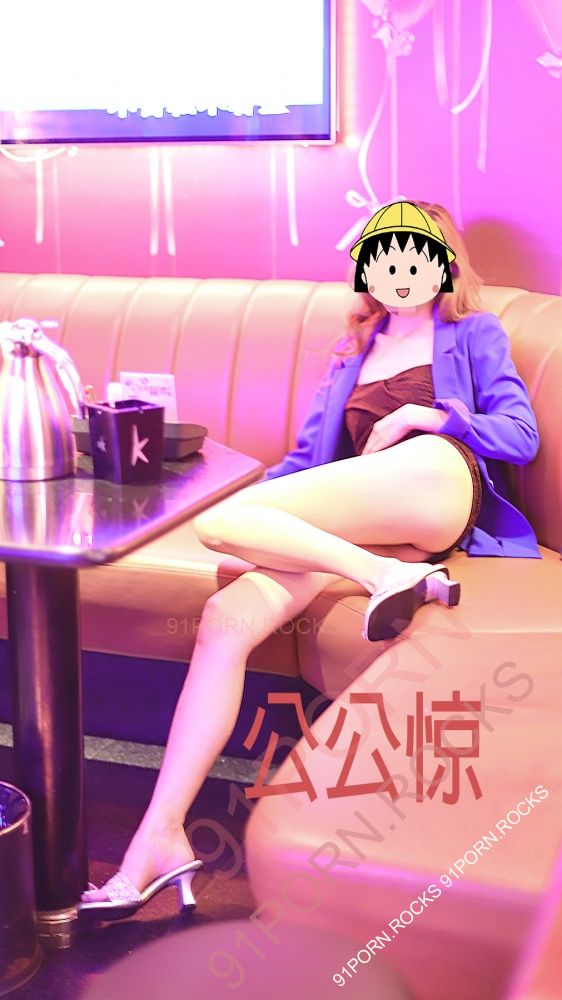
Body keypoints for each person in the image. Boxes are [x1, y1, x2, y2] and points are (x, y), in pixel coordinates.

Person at [78, 199, 540, 919]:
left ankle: (391, 577)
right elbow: (305, 466)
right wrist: (252, 502)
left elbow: (520, 435)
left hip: (439, 480)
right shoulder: (353, 350)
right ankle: (158, 841)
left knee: (220, 525)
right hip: (371, 531)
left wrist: (428, 415)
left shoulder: (471, 333)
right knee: (226, 617)